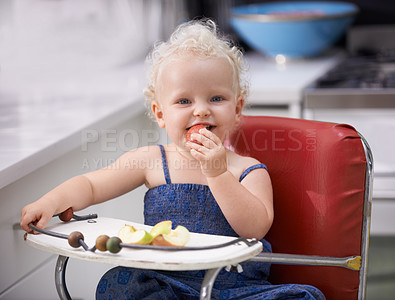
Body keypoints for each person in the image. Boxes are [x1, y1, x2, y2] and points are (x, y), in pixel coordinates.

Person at [21, 19, 325, 299]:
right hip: (166, 284)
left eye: (216, 98)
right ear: (160, 114)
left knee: (304, 296)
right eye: (184, 101)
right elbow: (90, 185)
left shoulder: (248, 170)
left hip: (238, 289)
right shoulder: (151, 161)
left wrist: (217, 174)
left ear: (237, 108)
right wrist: (50, 202)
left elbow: (255, 228)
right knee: (117, 282)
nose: (201, 110)